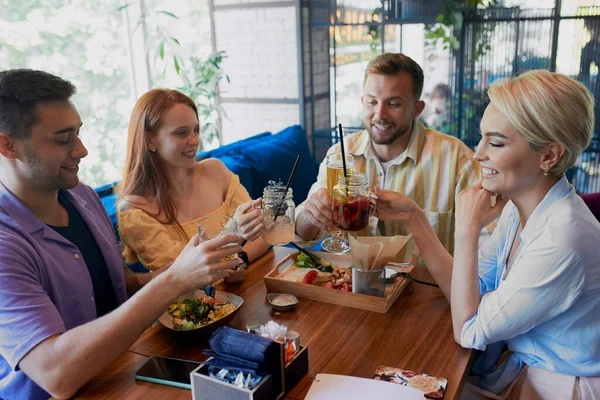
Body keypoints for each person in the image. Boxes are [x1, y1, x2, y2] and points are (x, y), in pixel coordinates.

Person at [0, 69, 243, 400]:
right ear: (7, 145)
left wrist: (180, 274)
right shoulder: (6, 244)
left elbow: (118, 281)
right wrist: (172, 280)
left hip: (124, 372)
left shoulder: (83, 198)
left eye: (79, 133)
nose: (82, 150)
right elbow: (53, 374)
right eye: (62, 139)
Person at [374, 70, 600, 399]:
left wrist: (467, 230)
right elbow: (471, 291)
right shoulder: (520, 208)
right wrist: (414, 218)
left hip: (560, 386)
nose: (478, 153)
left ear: (549, 155)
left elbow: (469, 329)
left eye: (495, 143)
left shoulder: (563, 240)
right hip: (520, 368)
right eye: (482, 138)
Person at [296, 53, 482, 255]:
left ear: (417, 109)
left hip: (426, 286)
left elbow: (489, 247)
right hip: (351, 282)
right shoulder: (340, 155)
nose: (379, 115)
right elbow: (304, 235)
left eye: (393, 104)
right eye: (372, 102)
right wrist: (309, 216)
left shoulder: (457, 160)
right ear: (362, 101)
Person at [117, 89, 269, 282]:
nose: (195, 140)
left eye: (196, 130)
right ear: (149, 141)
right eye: (181, 133)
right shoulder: (135, 210)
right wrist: (234, 231)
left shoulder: (216, 170)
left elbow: (261, 234)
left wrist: (241, 261)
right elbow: (180, 277)